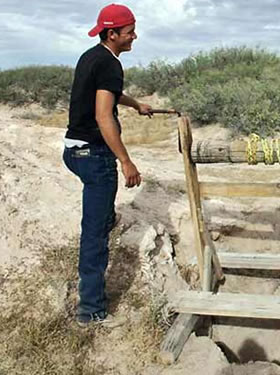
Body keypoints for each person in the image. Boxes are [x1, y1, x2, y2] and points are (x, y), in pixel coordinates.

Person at [63, 3, 152, 327]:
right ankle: (91, 310)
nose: (134, 36)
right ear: (113, 34)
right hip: (94, 156)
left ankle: (105, 218)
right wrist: (126, 161)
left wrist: (134, 104)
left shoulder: (92, 56)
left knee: (101, 218)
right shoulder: (111, 65)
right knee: (94, 235)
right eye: (129, 32)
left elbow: (106, 94)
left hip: (73, 150)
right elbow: (103, 115)